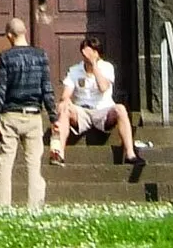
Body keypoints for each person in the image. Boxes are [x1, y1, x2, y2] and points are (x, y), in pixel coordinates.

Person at [0, 15, 57, 208]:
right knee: (34, 163)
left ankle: (3, 206)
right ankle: (34, 206)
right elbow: (47, 88)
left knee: (5, 163)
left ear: (9, 35)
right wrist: (53, 116)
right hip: (34, 115)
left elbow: (0, 89)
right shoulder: (41, 55)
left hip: (10, 115)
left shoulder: (5, 57)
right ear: (25, 32)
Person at [48, 36, 148, 168]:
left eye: (91, 52)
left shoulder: (107, 67)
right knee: (64, 107)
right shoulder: (74, 70)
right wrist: (65, 102)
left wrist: (94, 65)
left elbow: (103, 87)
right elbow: (66, 94)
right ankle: (58, 153)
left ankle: (130, 153)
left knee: (121, 109)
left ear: (98, 53)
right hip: (82, 111)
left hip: (103, 110)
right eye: (85, 52)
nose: (88, 56)